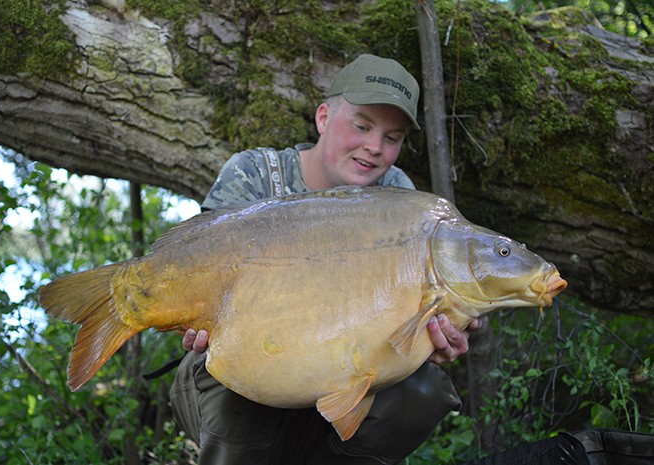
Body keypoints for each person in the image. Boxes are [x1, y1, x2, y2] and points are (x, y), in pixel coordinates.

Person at [169, 54, 481, 465]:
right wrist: (194, 319)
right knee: (232, 399)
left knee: (423, 392)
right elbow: (194, 274)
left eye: (392, 137)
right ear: (323, 118)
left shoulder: (401, 201)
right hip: (243, 374)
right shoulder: (254, 173)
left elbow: (410, 322)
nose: (375, 147)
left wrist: (432, 338)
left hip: (345, 380)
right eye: (362, 126)